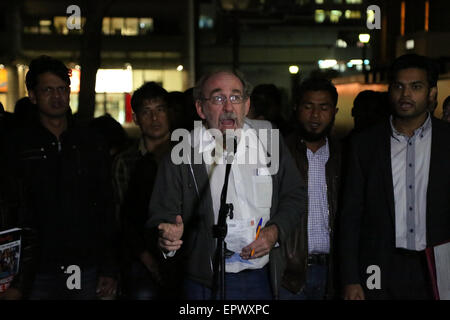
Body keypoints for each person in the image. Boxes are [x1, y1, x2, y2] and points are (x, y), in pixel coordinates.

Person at [146, 70, 306, 300]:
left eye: (236, 97)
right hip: (206, 281)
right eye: (218, 98)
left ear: (246, 104)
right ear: (201, 108)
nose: (229, 107)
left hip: (262, 276)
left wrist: (275, 232)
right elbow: (160, 215)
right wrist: (168, 237)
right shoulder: (181, 154)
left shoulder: (269, 140)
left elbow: (295, 195)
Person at [3, 55, 119, 300]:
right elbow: (10, 207)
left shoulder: (89, 142)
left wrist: (109, 266)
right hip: (33, 268)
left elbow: (106, 205)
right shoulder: (18, 144)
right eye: (47, 90)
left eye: (61, 89)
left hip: (83, 262)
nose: (57, 97)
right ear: (32, 95)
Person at [339, 54, 450, 300]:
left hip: (437, 265)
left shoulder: (447, 140)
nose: (405, 94)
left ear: (432, 93)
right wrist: (351, 279)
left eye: (416, 87)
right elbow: (350, 216)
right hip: (379, 266)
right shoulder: (364, 144)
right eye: (399, 86)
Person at [112, 82, 176, 299]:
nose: (155, 118)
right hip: (140, 255)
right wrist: (147, 259)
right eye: (147, 112)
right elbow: (123, 217)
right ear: (136, 118)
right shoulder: (125, 161)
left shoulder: (188, 156)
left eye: (160, 110)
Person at [280, 78, 341, 300]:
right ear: (296, 108)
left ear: (334, 111)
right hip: (289, 275)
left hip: (333, 273)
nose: (315, 115)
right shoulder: (278, 152)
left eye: (323, 108)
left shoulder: (345, 156)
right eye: (308, 107)